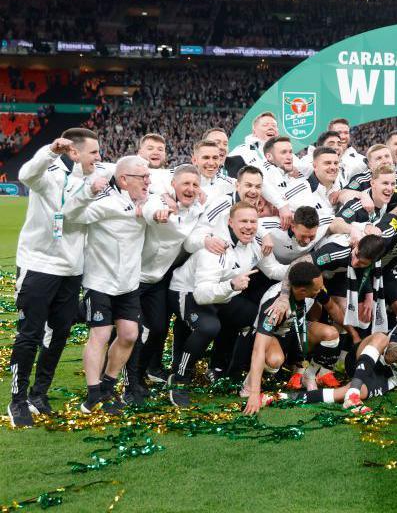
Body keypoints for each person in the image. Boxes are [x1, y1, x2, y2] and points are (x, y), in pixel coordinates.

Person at [9, 130, 98, 426]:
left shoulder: (94, 179)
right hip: (39, 265)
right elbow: (24, 174)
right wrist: (50, 150)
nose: (98, 158)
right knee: (30, 334)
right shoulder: (49, 173)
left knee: (59, 334)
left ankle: (39, 394)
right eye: (94, 152)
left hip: (71, 271)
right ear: (75, 152)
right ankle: (17, 400)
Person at [248, 296, 397, 414]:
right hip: (369, 356)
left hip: (389, 378)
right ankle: (354, 394)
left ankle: (277, 397)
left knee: (343, 393)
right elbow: (390, 356)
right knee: (381, 337)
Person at [167, 202, 288, 407]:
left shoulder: (255, 244)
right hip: (187, 292)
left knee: (255, 316)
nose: (249, 226)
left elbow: (274, 270)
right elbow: (202, 294)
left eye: (253, 221)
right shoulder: (216, 247)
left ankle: (227, 371)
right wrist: (231, 285)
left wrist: (302, 266)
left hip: (222, 295)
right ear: (230, 222)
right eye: (243, 221)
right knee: (209, 327)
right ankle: (179, 377)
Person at [69, 156, 151, 414]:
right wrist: (87, 191)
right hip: (100, 281)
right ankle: (92, 396)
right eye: (142, 177)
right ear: (124, 180)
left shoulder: (147, 201)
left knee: (129, 335)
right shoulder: (106, 203)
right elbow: (72, 215)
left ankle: (107, 385)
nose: (148, 181)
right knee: (101, 335)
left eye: (148, 177)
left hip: (128, 284)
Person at [125, 164, 206, 404]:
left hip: (158, 280)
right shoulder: (159, 201)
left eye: (194, 184)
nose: (190, 189)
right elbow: (151, 208)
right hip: (133, 278)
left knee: (159, 329)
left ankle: (138, 376)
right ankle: (129, 387)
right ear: (174, 185)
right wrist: (159, 213)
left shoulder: (198, 210)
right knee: (135, 333)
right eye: (185, 184)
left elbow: (194, 239)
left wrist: (208, 240)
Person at [241, 262, 342, 403]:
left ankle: (309, 376)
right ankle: (249, 383)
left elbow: (332, 309)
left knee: (331, 334)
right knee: (275, 360)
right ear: (302, 291)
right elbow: (259, 349)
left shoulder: (312, 289)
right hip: (273, 337)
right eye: (318, 289)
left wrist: (355, 336)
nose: (321, 291)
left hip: (296, 331)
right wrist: (254, 393)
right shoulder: (274, 305)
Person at [225, 111, 278, 177]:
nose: (271, 128)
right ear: (254, 132)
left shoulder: (287, 153)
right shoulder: (241, 152)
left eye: (274, 125)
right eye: (265, 125)